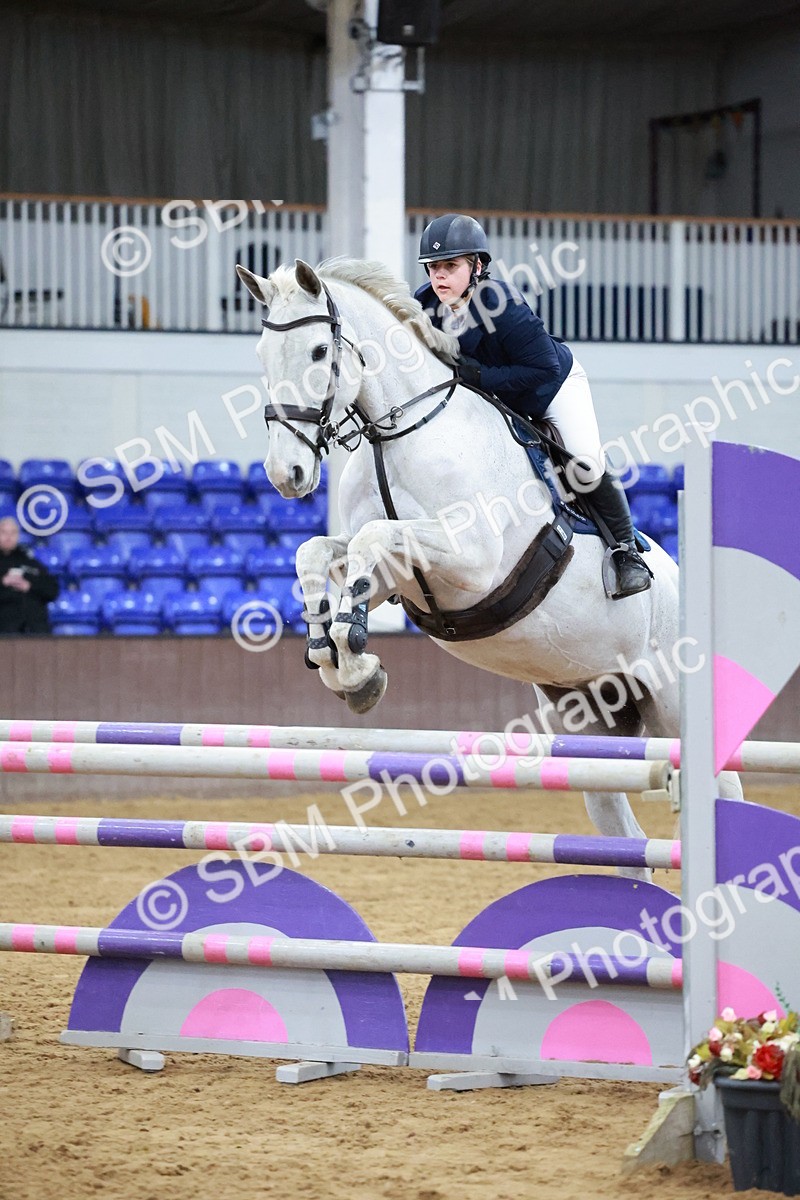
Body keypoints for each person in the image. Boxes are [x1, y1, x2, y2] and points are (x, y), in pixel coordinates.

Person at [415, 213, 652, 598]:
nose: (439, 277)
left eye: (450, 266)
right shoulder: (424, 305)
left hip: (552, 389)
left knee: (585, 463)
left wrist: (480, 378)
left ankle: (627, 554)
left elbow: (544, 367)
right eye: (433, 268)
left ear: (477, 266)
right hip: (493, 403)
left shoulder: (503, 305)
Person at [0, 516, 60, 633]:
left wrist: (29, 586)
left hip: (35, 631)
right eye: (3, 532)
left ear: (18, 536)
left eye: (13, 533)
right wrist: (3, 582)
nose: (8, 537)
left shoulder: (31, 562)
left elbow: (53, 591)